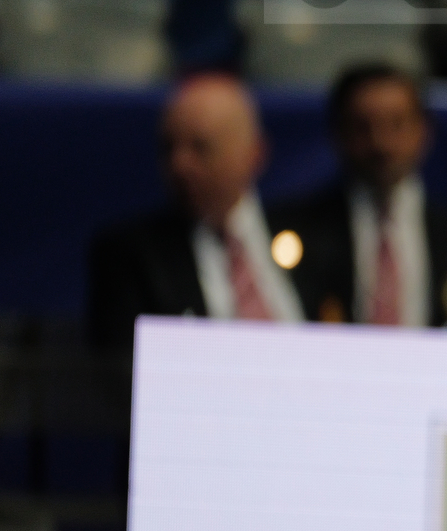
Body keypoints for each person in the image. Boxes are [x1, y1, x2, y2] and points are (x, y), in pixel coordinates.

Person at [276, 63, 447, 329]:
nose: (381, 143)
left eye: (396, 124)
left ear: (424, 130)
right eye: (363, 127)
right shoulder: (298, 235)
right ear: (338, 133)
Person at [87, 75, 311, 351]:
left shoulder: (312, 235)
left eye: (200, 147)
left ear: (254, 154)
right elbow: (121, 371)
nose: (180, 165)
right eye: (169, 148)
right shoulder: (132, 256)